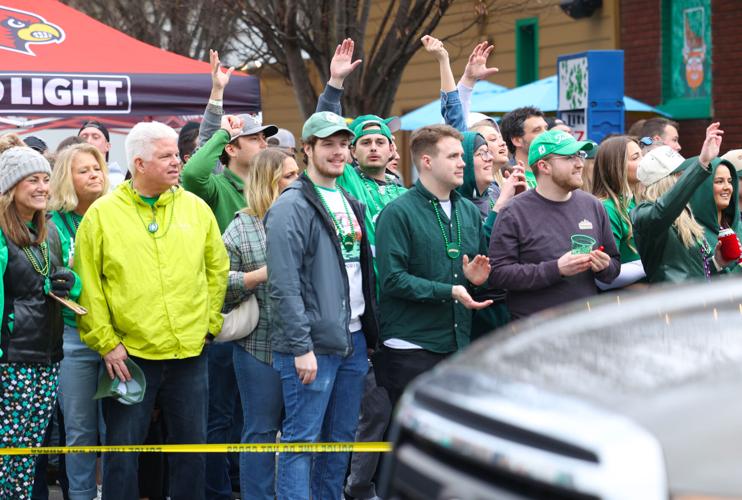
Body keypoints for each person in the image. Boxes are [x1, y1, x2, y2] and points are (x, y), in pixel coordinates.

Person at [74, 121, 229, 500]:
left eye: (177, 154)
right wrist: (107, 343)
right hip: (128, 358)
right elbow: (87, 285)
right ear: (139, 163)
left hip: (190, 353)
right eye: (167, 156)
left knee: (191, 453)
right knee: (122, 456)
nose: (178, 162)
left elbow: (217, 269)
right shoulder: (102, 214)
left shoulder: (196, 208)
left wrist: (208, 326)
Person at [265, 111, 379, 500]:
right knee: (301, 441)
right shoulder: (290, 206)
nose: (338, 152)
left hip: (353, 339)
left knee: (339, 440)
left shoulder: (348, 199)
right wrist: (301, 347)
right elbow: (283, 285)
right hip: (311, 345)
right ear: (308, 149)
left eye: (343, 144)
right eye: (327, 144)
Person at [374, 124, 493, 406]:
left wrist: (477, 281)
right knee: (408, 439)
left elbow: (481, 277)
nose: (463, 162)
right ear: (427, 161)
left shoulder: (468, 211)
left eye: (461, 156)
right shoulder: (397, 213)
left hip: (458, 344)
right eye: (453, 156)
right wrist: (449, 290)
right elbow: (392, 279)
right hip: (411, 346)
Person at [0, 146, 79, 499]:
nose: (42, 187)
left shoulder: (48, 233)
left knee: (30, 451)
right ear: (10, 186)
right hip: (11, 358)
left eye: (46, 179)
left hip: (49, 356)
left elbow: (62, 285)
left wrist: (68, 282)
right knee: (8, 451)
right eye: (32, 179)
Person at [223, 148, 298, 499]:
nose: (297, 181)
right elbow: (219, 286)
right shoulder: (242, 226)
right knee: (260, 430)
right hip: (259, 345)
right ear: (269, 182)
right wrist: (258, 276)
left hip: (306, 346)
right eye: (289, 176)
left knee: (302, 432)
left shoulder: (308, 216)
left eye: (298, 174)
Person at [488, 129, 620, 319]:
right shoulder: (514, 211)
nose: (579, 164)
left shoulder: (592, 205)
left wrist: (604, 267)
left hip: (583, 325)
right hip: (534, 331)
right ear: (544, 166)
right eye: (569, 158)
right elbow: (498, 274)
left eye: (579, 156)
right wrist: (556, 269)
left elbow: (613, 266)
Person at [48, 143, 109, 500]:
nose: (94, 175)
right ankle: (82, 496)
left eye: (97, 168)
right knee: (81, 433)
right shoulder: (52, 224)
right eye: (84, 170)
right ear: (65, 178)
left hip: (118, 337)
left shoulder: (115, 214)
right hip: (73, 337)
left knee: (117, 432)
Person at [632, 123, 732, 283]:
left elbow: (692, 273)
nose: (685, 176)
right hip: (671, 305)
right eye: (680, 173)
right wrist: (701, 163)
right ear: (664, 181)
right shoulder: (643, 214)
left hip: (694, 302)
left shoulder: (684, 212)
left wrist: (716, 263)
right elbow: (662, 211)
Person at [590, 136, 647, 289]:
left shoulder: (637, 200)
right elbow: (604, 279)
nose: (644, 161)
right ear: (615, 166)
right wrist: (653, 263)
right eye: (636, 157)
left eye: (642, 155)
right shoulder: (607, 208)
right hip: (624, 305)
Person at [689, 156, 741, 275]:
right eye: (719, 181)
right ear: (703, 187)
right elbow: (697, 281)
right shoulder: (693, 233)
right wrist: (716, 264)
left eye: (730, 181)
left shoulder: (738, 226)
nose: (727, 187)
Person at [500, 106, 548, 189]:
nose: (546, 134)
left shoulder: (555, 171)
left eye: (546, 128)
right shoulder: (506, 178)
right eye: (537, 130)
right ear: (517, 140)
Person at [78, 120, 126, 188]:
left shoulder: (120, 182)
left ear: (107, 146)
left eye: (95, 137)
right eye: (84, 137)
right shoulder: (69, 178)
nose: (89, 141)